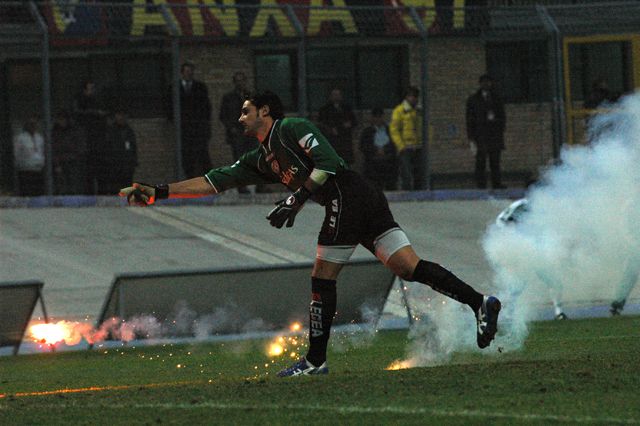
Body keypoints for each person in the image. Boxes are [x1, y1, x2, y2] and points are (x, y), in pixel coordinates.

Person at [120, 91, 502, 376]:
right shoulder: (259, 158)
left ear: (265, 111)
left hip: (347, 194)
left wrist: (296, 198)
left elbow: (331, 165)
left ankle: (315, 361)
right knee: (407, 266)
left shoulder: (291, 128)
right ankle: (479, 302)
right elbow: (212, 182)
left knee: (322, 277)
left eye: (245, 111)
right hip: (359, 199)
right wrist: (158, 191)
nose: (240, 118)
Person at [495, 199, 567, 320]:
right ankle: (507, 314)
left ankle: (559, 313)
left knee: (555, 282)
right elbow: (501, 220)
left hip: (537, 252)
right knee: (517, 286)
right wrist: (512, 237)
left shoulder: (544, 209)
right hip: (524, 251)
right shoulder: (521, 205)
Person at [168, 62, 212, 178]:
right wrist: (174, 121)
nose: (189, 74)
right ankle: (189, 178)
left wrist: (204, 124)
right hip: (183, 128)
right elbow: (169, 106)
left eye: (191, 72)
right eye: (187, 72)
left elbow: (206, 107)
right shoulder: (175, 87)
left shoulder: (200, 87)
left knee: (203, 154)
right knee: (186, 155)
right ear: (182, 73)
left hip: (198, 127)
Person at [219, 72, 259, 194]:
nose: (240, 83)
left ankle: (259, 186)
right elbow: (223, 115)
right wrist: (231, 128)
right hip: (237, 133)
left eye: (242, 80)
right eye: (237, 81)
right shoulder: (228, 97)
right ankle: (241, 186)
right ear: (234, 82)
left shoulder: (251, 96)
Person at [466, 75, 506, 189]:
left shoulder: (497, 98)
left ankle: (497, 184)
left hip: (494, 135)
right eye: (484, 82)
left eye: (488, 82)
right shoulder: (473, 100)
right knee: (480, 161)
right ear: (480, 84)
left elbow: (502, 116)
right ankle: (481, 185)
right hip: (480, 135)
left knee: (495, 161)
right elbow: (469, 119)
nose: (486, 84)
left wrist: (500, 129)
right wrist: (471, 137)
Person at [74, 80, 108, 194]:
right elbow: (77, 114)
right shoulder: (80, 102)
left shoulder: (98, 102)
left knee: (99, 172)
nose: (92, 92)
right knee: (87, 173)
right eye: (90, 89)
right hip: (87, 147)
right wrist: (94, 113)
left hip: (97, 145)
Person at [389, 86, 423, 190]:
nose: (414, 99)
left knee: (420, 174)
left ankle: (419, 194)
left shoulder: (419, 111)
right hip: (405, 148)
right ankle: (407, 194)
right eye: (411, 96)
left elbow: (427, 127)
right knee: (406, 175)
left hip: (419, 147)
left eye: (415, 97)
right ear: (407, 97)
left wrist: (426, 143)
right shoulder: (399, 111)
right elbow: (394, 130)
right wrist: (400, 146)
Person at [97, 109, 137, 195]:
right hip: (114, 165)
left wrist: (133, 162)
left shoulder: (129, 131)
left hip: (127, 166)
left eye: (123, 115)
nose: (121, 118)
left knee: (127, 187)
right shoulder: (110, 131)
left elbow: (133, 147)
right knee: (114, 188)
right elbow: (106, 148)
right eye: (119, 115)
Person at [359, 107, 397, 190]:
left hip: (388, 161)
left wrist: (385, 150)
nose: (378, 119)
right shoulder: (367, 132)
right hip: (373, 162)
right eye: (376, 117)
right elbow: (363, 146)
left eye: (380, 117)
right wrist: (376, 150)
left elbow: (394, 144)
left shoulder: (390, 130)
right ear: (372, 118)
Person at [317, 88, 357, 165]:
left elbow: (354, 121)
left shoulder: (347, 108)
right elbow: (321, 124)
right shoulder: (325, 109)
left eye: (338, 95)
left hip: (345, 140)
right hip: (332, 140)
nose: (336, 97)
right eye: (334, 95)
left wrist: (348, 124)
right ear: (330, 96)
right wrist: (331, 129)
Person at [52, 110, 87, 195]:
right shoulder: (55, 132)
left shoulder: (74, 131)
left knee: (74, 184)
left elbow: (80, 147)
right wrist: (57, 164)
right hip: (61, 163)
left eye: (63, 119)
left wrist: (76, 158)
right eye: (59, 119)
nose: (61, 121)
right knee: (61, 185)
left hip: (73, 162)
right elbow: (53, 149)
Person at [13, 116, 45, 196]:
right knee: (26, 192)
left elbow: (43, 151)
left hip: (38, 169)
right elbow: (16, 153)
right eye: (31, 124)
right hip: (25, 170)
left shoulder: (39, 138)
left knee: (37, 192)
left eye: (34, 124)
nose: (33, 126)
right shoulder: (20, 138)